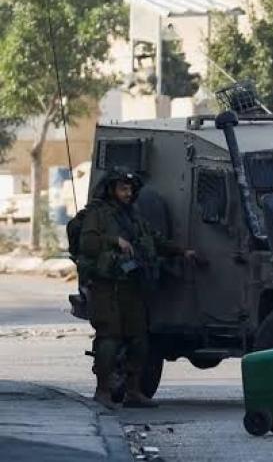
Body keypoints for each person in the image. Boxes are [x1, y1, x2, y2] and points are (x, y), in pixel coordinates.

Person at [79, 169, 197, 409]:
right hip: (107, 287)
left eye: (130, 189)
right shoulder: (97, 215)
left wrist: (182, 252)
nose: (128, 193)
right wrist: (114, 241)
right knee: (109, 339)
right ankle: (103, 391)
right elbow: (87, 243)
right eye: (123, 188)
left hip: (131, 286)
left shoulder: (133, 216)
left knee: (139, 340)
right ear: (111, 190)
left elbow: (154, 239)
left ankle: (133, 391)